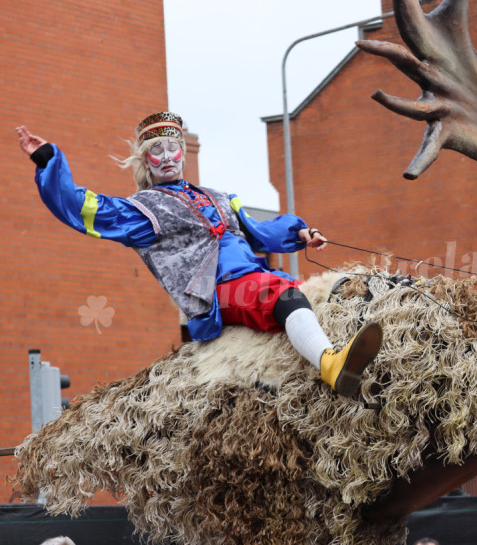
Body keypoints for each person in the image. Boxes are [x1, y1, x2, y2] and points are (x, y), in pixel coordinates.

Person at [16, 113, 382, 397]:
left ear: (182, 153)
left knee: (319, 294)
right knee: (284, 295)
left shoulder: (218, 197)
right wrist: (49, 160)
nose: (166, 157)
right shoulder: (144, 209)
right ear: (146, 162)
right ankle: (330, 365)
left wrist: (300, 232)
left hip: (256, 276)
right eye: (155, 151)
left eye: (171, 148)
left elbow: (256, 230)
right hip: (219, 291)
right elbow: (85, 208)